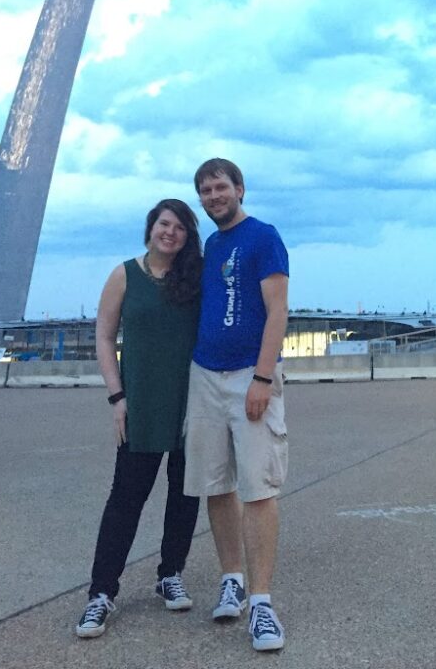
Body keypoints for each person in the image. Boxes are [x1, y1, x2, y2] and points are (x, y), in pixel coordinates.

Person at [76, 199, 202, 638]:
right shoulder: (124, 274)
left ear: (188, 236)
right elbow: (105, 336)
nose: (171, 232)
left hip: (191, 404)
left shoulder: (196, 277)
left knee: (185, 496)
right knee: (125, 500)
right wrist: (117, 397)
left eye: (180, 227)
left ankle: (171, 573)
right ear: (151, 228)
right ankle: (101, 593)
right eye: (164, 224)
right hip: (141, 404)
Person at [184, 158, 289, 652]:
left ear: (240, 188)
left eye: (219, 186)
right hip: (205, 373)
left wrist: (263, 378)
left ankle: (263, 603)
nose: (212, 196)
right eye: (204, 190)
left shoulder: (264, 237)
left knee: (257, 486)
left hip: (250, 373)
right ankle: (232, 579)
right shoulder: (212, 243)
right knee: (215, 483)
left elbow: (277, 312)